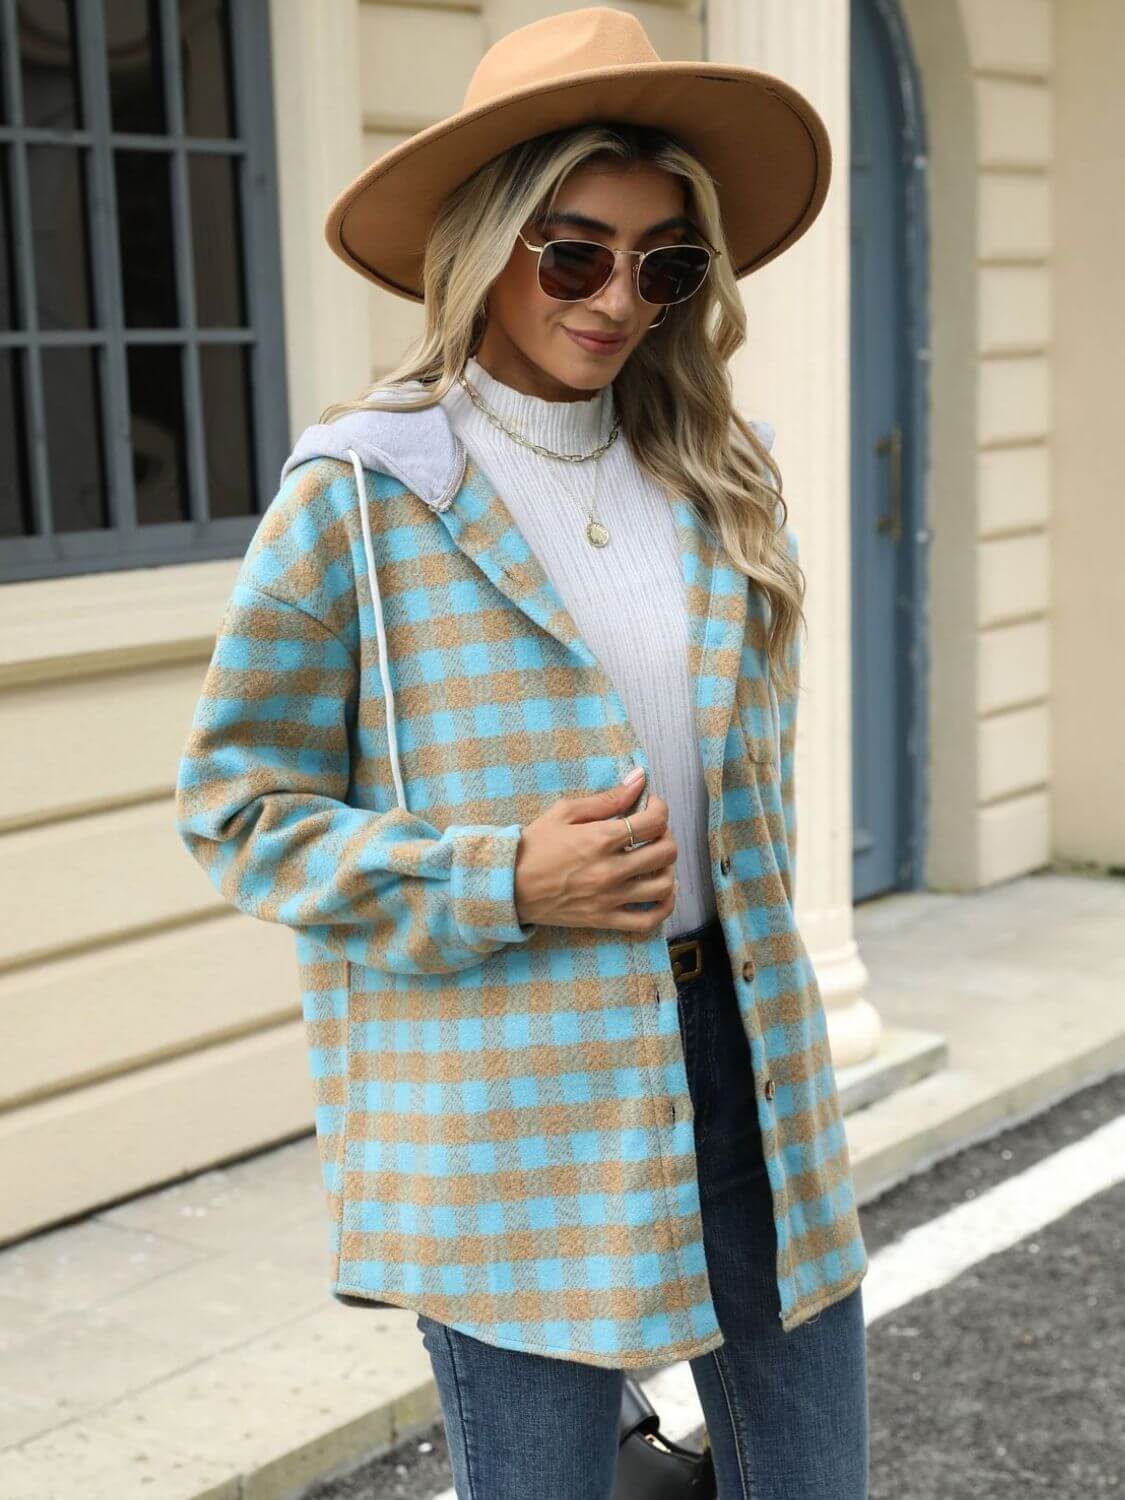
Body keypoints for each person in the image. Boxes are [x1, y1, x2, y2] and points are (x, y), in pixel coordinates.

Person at [175, 8, 869, 1497]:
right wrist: (504, 877)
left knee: (813, 1479)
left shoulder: (716, 481)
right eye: (574, 252)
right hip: (509, 1094)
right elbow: (238, 814)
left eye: (664, 262)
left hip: (746, 1057)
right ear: (487, 245)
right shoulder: (363, 499)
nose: (619, 297)